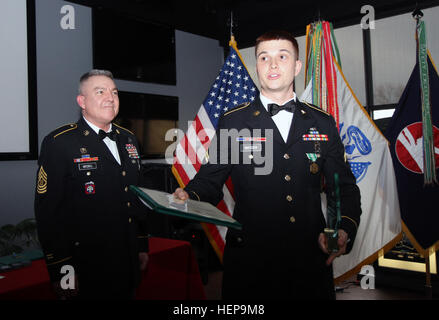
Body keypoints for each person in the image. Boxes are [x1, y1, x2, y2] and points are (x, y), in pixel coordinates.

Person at [174, 30, 361, 299]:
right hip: (251, 260)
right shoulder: (235, 121)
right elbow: (210, 179)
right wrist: (188, 194)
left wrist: (343, 229)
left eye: (282, 56)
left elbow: (342, 188)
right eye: (264, 57)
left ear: (297, 66)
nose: (273, 64)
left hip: (309, 259)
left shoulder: (322, 122)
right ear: (257, 67)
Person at [34, 69, 149, 299]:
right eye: (100, 91)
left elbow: (135, 198)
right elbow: (49, 214)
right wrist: (62, 270)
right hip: (86, 267)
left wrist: (141, 245)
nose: (110, 97)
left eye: (114, 92)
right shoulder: (60, 143)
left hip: (127, 260)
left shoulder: (129, 139)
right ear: (82, 101)